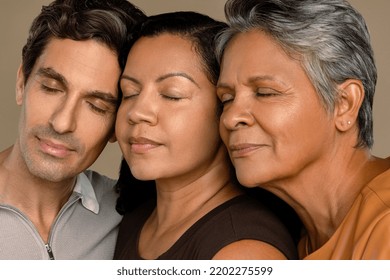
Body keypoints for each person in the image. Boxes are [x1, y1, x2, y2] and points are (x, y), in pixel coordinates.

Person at [114, 11, 298, 260]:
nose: (137, 112)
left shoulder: (243, 252)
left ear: (225, 108)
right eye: (130, 92)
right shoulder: (132, 218)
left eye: (172, 94)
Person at [215, 0, 390, 259]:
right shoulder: (298, 239)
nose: (231, 118)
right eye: (226, 99)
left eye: (265, 93)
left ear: (345, 105)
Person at [0, 0, 145, 259]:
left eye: (96, 106)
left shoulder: (134, 217)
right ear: (22, 83)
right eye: (51, 88)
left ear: (118, 125)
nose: (62, 122)